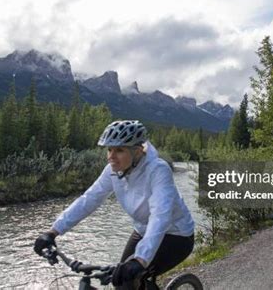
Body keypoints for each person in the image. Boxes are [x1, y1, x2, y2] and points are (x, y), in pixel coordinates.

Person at [34, 120, 195, 288]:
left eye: (119, 150)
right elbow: (89, 199)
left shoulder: (158, 170)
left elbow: (160, 216)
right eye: (109, 149)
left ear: (138, 151)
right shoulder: (112, 170)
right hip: (142, 230)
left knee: (127, 280)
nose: (111, 156)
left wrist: (141, 259)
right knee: (120, 279)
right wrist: (53, 231)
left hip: (176, 235)